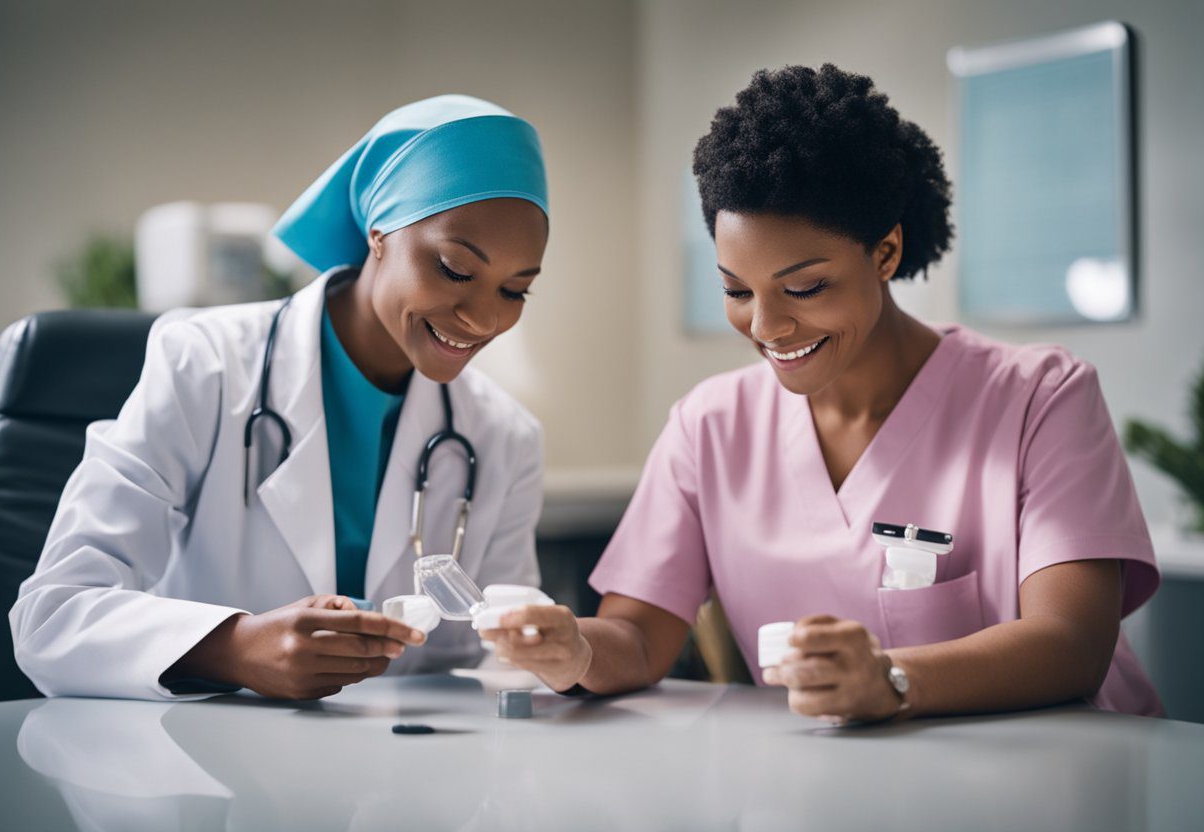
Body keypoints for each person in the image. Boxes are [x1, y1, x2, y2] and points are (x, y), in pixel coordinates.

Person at [482, 65, 1161, 721]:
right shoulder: (710, 428)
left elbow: (1073, 641)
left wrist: (892, 680)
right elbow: (634, 638)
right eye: (736, 291)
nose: (767, 326)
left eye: (804, 288)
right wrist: (572, 649)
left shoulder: (1039, 398)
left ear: (886, 254)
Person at [11, 95, 550, 701]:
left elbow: (507, 661)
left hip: (407, 776)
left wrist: (535, 643)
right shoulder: (204, 364)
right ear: (378, 233)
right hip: (203, 769)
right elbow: (50, 617)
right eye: (454, 269)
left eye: (514, 290)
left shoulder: (504, 435)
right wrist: (234, 647)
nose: (482, 319)